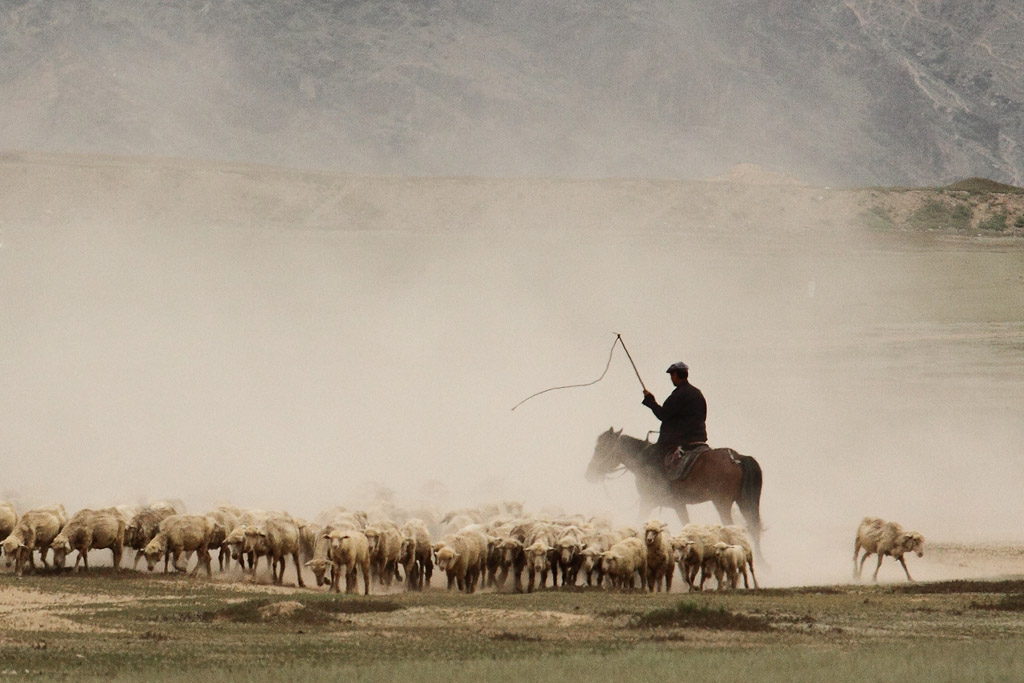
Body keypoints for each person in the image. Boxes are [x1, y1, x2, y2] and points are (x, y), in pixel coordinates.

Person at [641, 361, 708, 458]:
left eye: (672, 375)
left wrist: (650, 400)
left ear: (676, 375)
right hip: (700, 439)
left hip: (680, 440)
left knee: (649, 459)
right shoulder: (697, 393)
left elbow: (662, 415)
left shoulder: (679, 394)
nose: (671, 378)